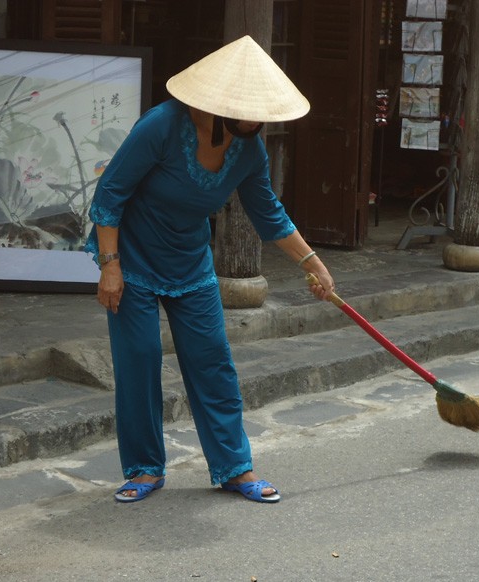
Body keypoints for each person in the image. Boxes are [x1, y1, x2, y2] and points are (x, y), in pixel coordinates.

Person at [84, 35, 335, 504]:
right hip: (131, 259)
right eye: (251, 109)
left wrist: (313, 264)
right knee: (138, 361)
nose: (259, 120)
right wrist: (110, 266)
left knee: (213, 364)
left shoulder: (249, 150)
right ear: (221, 104)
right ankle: (144, 469)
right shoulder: (161, 126)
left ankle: (235, 468)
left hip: (190, 260)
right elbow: (109, 196)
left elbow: (269, 214)